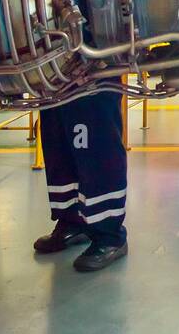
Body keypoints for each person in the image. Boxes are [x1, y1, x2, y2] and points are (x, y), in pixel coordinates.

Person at [33, 90, 129, 273]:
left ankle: (110, 236)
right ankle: (73, 220)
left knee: (96, 140)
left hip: (94, 70)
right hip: (52, 73)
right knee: (58, 140)